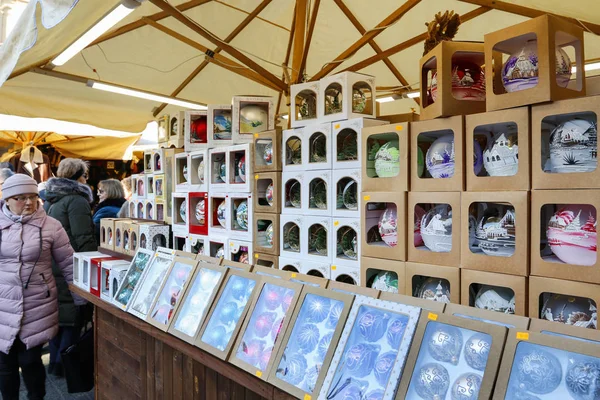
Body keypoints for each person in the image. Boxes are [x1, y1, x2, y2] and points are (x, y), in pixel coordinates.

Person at [0, 174, 84, 400]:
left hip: (36, 305)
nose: (28, 202)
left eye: (33, 197)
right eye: (21, 198)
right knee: (5, 364)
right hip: (2, 306)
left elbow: (69, 264)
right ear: (7, 199)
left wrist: (81, 302)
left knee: (30, 362)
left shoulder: (51, 226)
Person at [43, 158, 96, 377]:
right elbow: (83, 237)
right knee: (74, 315)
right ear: (78, 176)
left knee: (59, 314)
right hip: (71, 264)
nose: (87, 179)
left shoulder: (51, 199)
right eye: (85, 175)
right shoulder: (76, 200)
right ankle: (63, 364)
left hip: (52, 262)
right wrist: (93, 263)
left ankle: (55, 362)